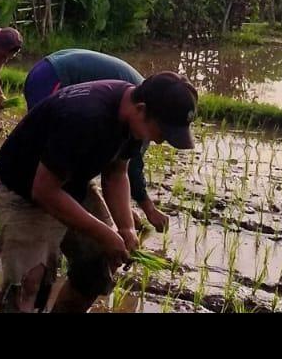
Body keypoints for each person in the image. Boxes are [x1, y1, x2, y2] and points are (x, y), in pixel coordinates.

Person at [0, 71, 198, 313]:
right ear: (141, 109)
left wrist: (125, 228)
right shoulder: (85, 117)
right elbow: (44, 191)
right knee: (28, 287)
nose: (161, 141)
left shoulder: (133, 119)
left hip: (70, 181)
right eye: (162, 132)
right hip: (25, 189)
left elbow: (116, 173)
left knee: (98, 266)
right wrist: (106, 234)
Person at [23, 49, 171, 231]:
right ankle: (26, 212)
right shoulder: (145, 115)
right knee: (41, 151)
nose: (160, 141)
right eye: (163, 135)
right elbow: (130, 167)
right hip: (53, 75)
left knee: (72, 157)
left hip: (54, 65)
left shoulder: (146, 106)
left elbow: (116, 168)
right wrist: (149, 210)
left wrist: (123, 216)